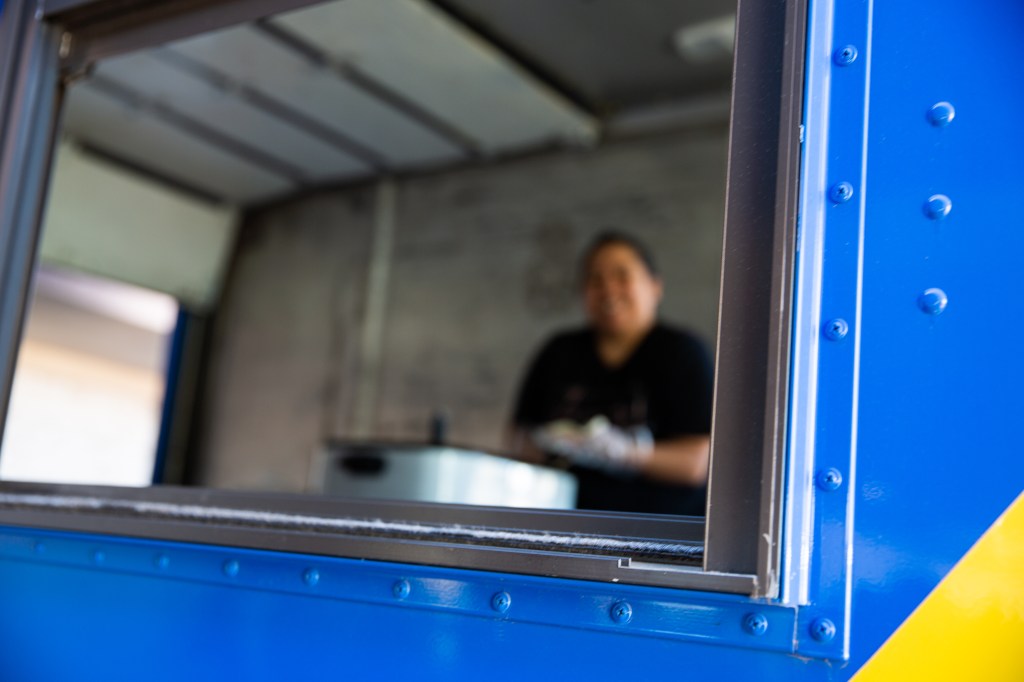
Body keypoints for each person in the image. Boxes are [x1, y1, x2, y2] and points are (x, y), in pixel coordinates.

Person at [509, 231, 713, 516]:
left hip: (658, 527)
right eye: (595, 279)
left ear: (655, 286)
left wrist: (625, 453)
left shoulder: (683, 352)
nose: (608, 289)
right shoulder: (559, 351)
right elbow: (519, 439)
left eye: (622, 275)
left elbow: (696, 464)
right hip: (564, 521)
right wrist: (554, 443)